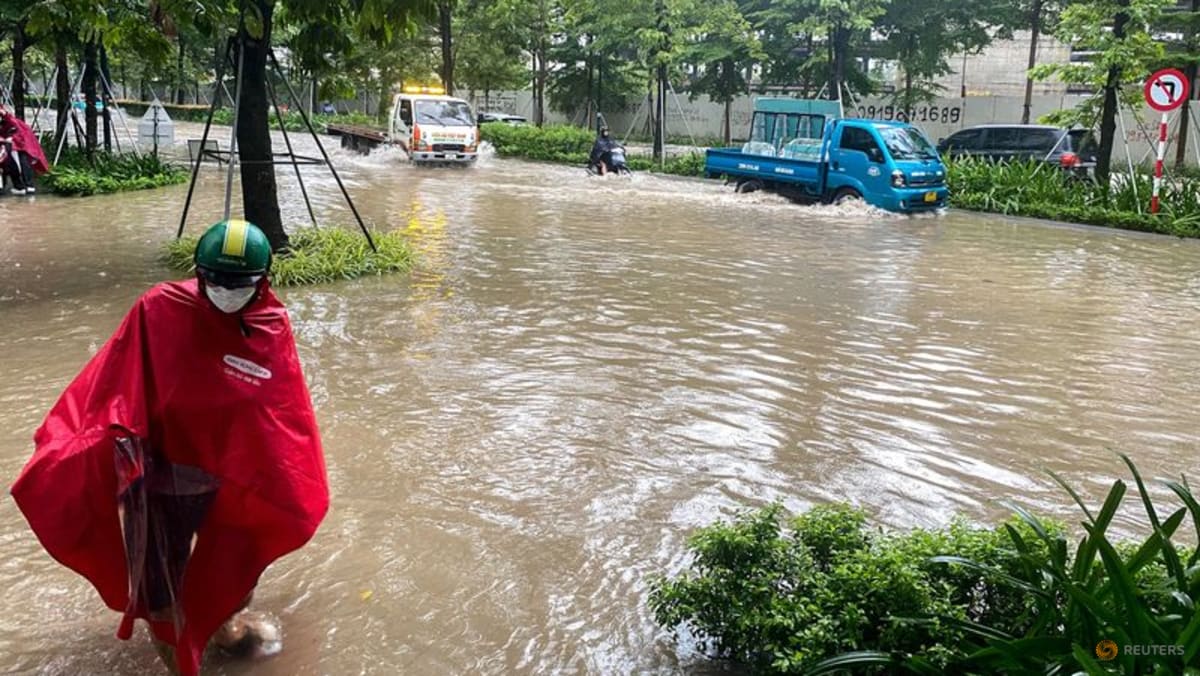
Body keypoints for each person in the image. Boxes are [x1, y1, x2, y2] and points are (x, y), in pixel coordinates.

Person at [10, 220, 329, 676]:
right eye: (214, 279)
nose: (225, 290)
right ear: (198, 273)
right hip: (161, 480)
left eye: (238, 282)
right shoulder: (160, 308)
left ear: (263, 280)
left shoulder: (269, 327)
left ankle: (221, 627)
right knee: (159, 587)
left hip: (231, 482)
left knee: (235, 570)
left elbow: (282, 416)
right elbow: (114, 381)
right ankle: (180, 664)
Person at [0, 107, 48, 195]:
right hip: (15, 134)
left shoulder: (9, 120)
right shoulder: (8, 119)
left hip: (18, 135)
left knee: (16, 159)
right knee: (13, 159)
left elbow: (8, 118)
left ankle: (23, 186)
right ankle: (24, 186)